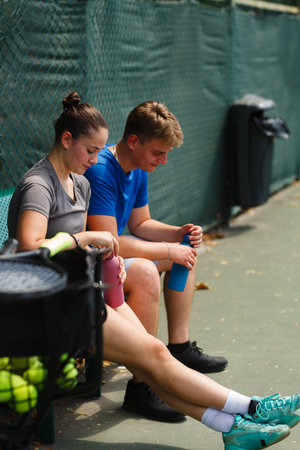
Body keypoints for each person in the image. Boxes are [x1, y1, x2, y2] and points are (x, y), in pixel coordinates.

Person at [7, 92, 300, 450]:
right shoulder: (40, 184)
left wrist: (107, 258)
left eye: (100, 150)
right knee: (155, 357)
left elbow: (97, 245)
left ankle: (235, 425)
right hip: (54, 310)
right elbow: (30, 245)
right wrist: (89, 238)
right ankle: (252, 408)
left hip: (87, 294)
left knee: (151, 361)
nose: (96, 159)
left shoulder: (79, 181)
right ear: (67, 140)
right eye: (90, 150)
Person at [84, 100, 228, 419]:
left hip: (115, 256)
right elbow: (112, 242)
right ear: (134, 141)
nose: (162, 161)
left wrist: (178, 234)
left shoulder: (137, 167)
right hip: (95, 263)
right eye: (157, 153)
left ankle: (179, 348)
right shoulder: (101, 170)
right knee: (148, 271)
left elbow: (140, 224)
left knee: (184, 250)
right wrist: (166, 250)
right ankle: (141, 386)